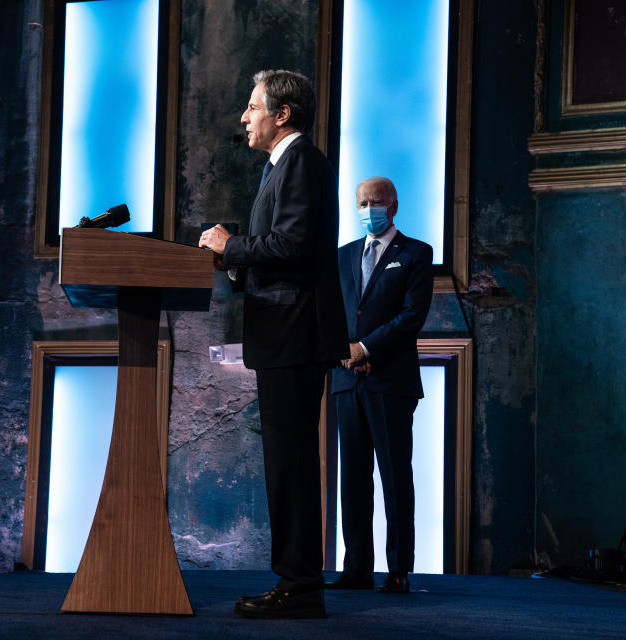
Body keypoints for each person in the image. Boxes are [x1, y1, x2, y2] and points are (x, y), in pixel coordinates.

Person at [199, 69, 348, 619]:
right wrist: (233, 260)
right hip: (283, 333)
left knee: (290, 466)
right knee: (285, 463)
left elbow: (290, 243)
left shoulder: (302, 160)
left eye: (252, 105)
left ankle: (300, 586)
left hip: (294, 335)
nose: (244, 116)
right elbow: (281, 250)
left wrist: (230, 245)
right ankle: (297, 582)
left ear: (281, 114)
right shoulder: (281, 165)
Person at [327, 177, 433, 594]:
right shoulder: (343, 256)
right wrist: (344, 351)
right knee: (352, 480)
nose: (369, 208)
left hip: (391, 381)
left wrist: (366, 349)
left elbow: (412, 316)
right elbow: (332, 311)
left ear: (394, 206)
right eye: (363, 202)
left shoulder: (417, 254)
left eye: (377, 201)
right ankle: (355, 568)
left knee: (394, 477)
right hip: (346, 380)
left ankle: (398, 571)